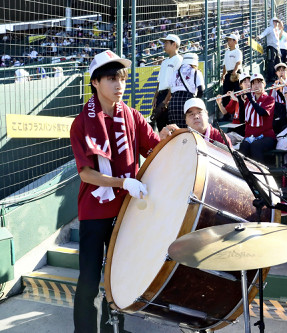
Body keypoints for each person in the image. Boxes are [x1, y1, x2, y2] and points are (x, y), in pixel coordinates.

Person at [70, 50, 168, 333]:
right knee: (89, 277)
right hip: (94, 211)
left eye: (122, 78)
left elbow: (153, 149)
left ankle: (115, 327)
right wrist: (122, 183)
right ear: (95, 83)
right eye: (112, 78)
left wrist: (168, 136)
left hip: (126, 211)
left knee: (120, 275)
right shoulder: (81, 123)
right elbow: (85, 173)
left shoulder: (133, 116)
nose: (119, 85)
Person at [238, 73, 276, 163]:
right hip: (251, 135)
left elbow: (262, 112)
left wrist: (251, 99)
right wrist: (240, 101)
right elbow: (242, 119)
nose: (256, 86)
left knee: (255, 145)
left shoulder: (269, 99)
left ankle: (259, 173)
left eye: (259, 83)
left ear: (264, 84)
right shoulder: (248, 100)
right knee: (244, 145)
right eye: (254, 83)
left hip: (266, 136)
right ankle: (243, 172)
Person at [163, 98, 232, 147]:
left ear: (207, 115)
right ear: (185, 120)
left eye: (199, 112)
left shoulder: (221, 138)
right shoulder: (180, 139)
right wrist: (164, 141)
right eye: (191, 114)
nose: (196, 116)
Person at [164, 53, 205, 129]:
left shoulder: (175, 72)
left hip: (174, 102)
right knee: (189, 129)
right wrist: (196, 101)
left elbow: (171, 89)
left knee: (175, 130)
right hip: (188, 101)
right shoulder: (196, 72)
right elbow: (201, 89)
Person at [152, 34, 182, 131]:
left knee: (171, 127)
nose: (164, 45)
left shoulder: (179, 60)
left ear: (174, 44)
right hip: (161, 95)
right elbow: (159, 81)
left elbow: (175, 82)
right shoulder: (164, 62)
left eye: (166, 43)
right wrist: (155, 97)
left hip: (171, 96)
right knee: (161, 126)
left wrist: (166, 101)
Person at [221, 33, 242, 108]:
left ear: (235, 41)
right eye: (228, 40)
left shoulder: (238, 51)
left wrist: (235, 71)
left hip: (236, 74)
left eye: (230, 40)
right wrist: (223, 75)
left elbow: (238, 62)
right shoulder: (227, 52)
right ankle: (226, 114)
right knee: (226, 94)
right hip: (229, 73)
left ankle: (239, 112)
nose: (228, 42)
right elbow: (225, 64)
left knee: (238, 92)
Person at [258, 17, 282, 82]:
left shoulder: (276, 30)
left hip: (276, 48)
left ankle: (277, 75)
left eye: (277, 22)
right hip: (271, 47)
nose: (276, 23)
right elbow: (264, 33)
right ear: (272, 22)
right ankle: (270, 77)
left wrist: (279, 50)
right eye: (274, 21)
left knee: (278, 62)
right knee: (271, 62)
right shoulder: (269, 29)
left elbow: (278, 41)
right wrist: (260, 36)